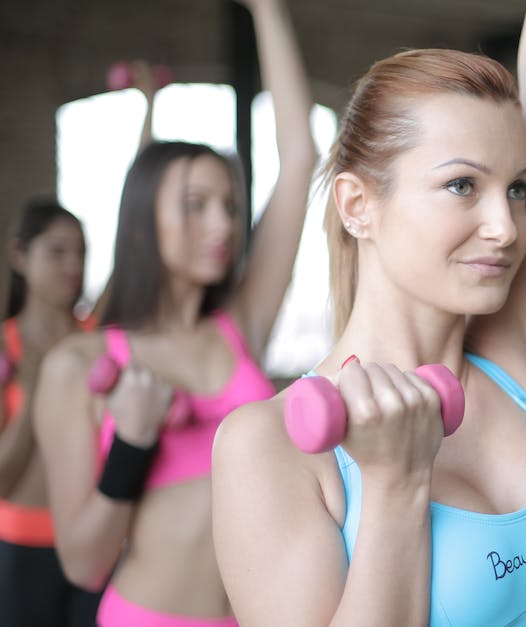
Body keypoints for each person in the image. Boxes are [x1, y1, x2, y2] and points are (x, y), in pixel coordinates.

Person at [211, 1, 526, 625]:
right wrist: (396, 481)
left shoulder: (519, 359)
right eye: (462, 185)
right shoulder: (271, 448)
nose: (506, 228)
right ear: (357, 205)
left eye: (519, 188)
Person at [32, 0, 316, 623]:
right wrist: (131, 445)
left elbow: (300, 156)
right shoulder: (76, 365)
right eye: (195, 204)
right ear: (142, 221)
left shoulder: (240, 326)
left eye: (227, 204)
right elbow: (83, 562)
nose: (222, 222)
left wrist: (267, 10)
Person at [0, 198, 97, 626]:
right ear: (19, 255)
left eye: (80, 252)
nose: (73, 264)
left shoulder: (97, 340)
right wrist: (37, 389)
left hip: (94, 541)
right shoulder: (5, 347)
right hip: (21, 547)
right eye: (57, 251)